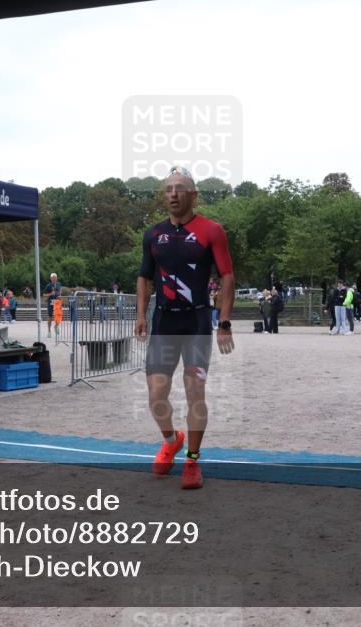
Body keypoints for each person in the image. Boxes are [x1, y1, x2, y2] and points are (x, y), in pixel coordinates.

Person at [135, 166, 235, 490]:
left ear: (194, 194)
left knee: (195, 392)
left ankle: (192, 459)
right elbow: (144, 278)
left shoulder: (211, 230)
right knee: (156, 393)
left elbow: (227, 277)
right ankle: (170, 439)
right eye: (168, 189)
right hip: (164, 322)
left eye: (180, 188)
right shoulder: (153, 234)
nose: (173, 194)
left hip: (196, 322)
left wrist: (224, 323)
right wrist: (140, 315)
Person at [43, 273, 62, 337]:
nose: (54, 279)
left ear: (57, 278)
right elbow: (44, 295)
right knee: (50, 317)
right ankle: (49, 331)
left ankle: (56, 326)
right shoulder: (48, 285)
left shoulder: (59, 284)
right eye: (53, 278)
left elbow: (59, 292)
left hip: (57, 302)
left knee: (58, 316)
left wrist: (60, 296)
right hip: (50, 302)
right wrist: (50, 294)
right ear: (51, 279)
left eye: (55, 277)